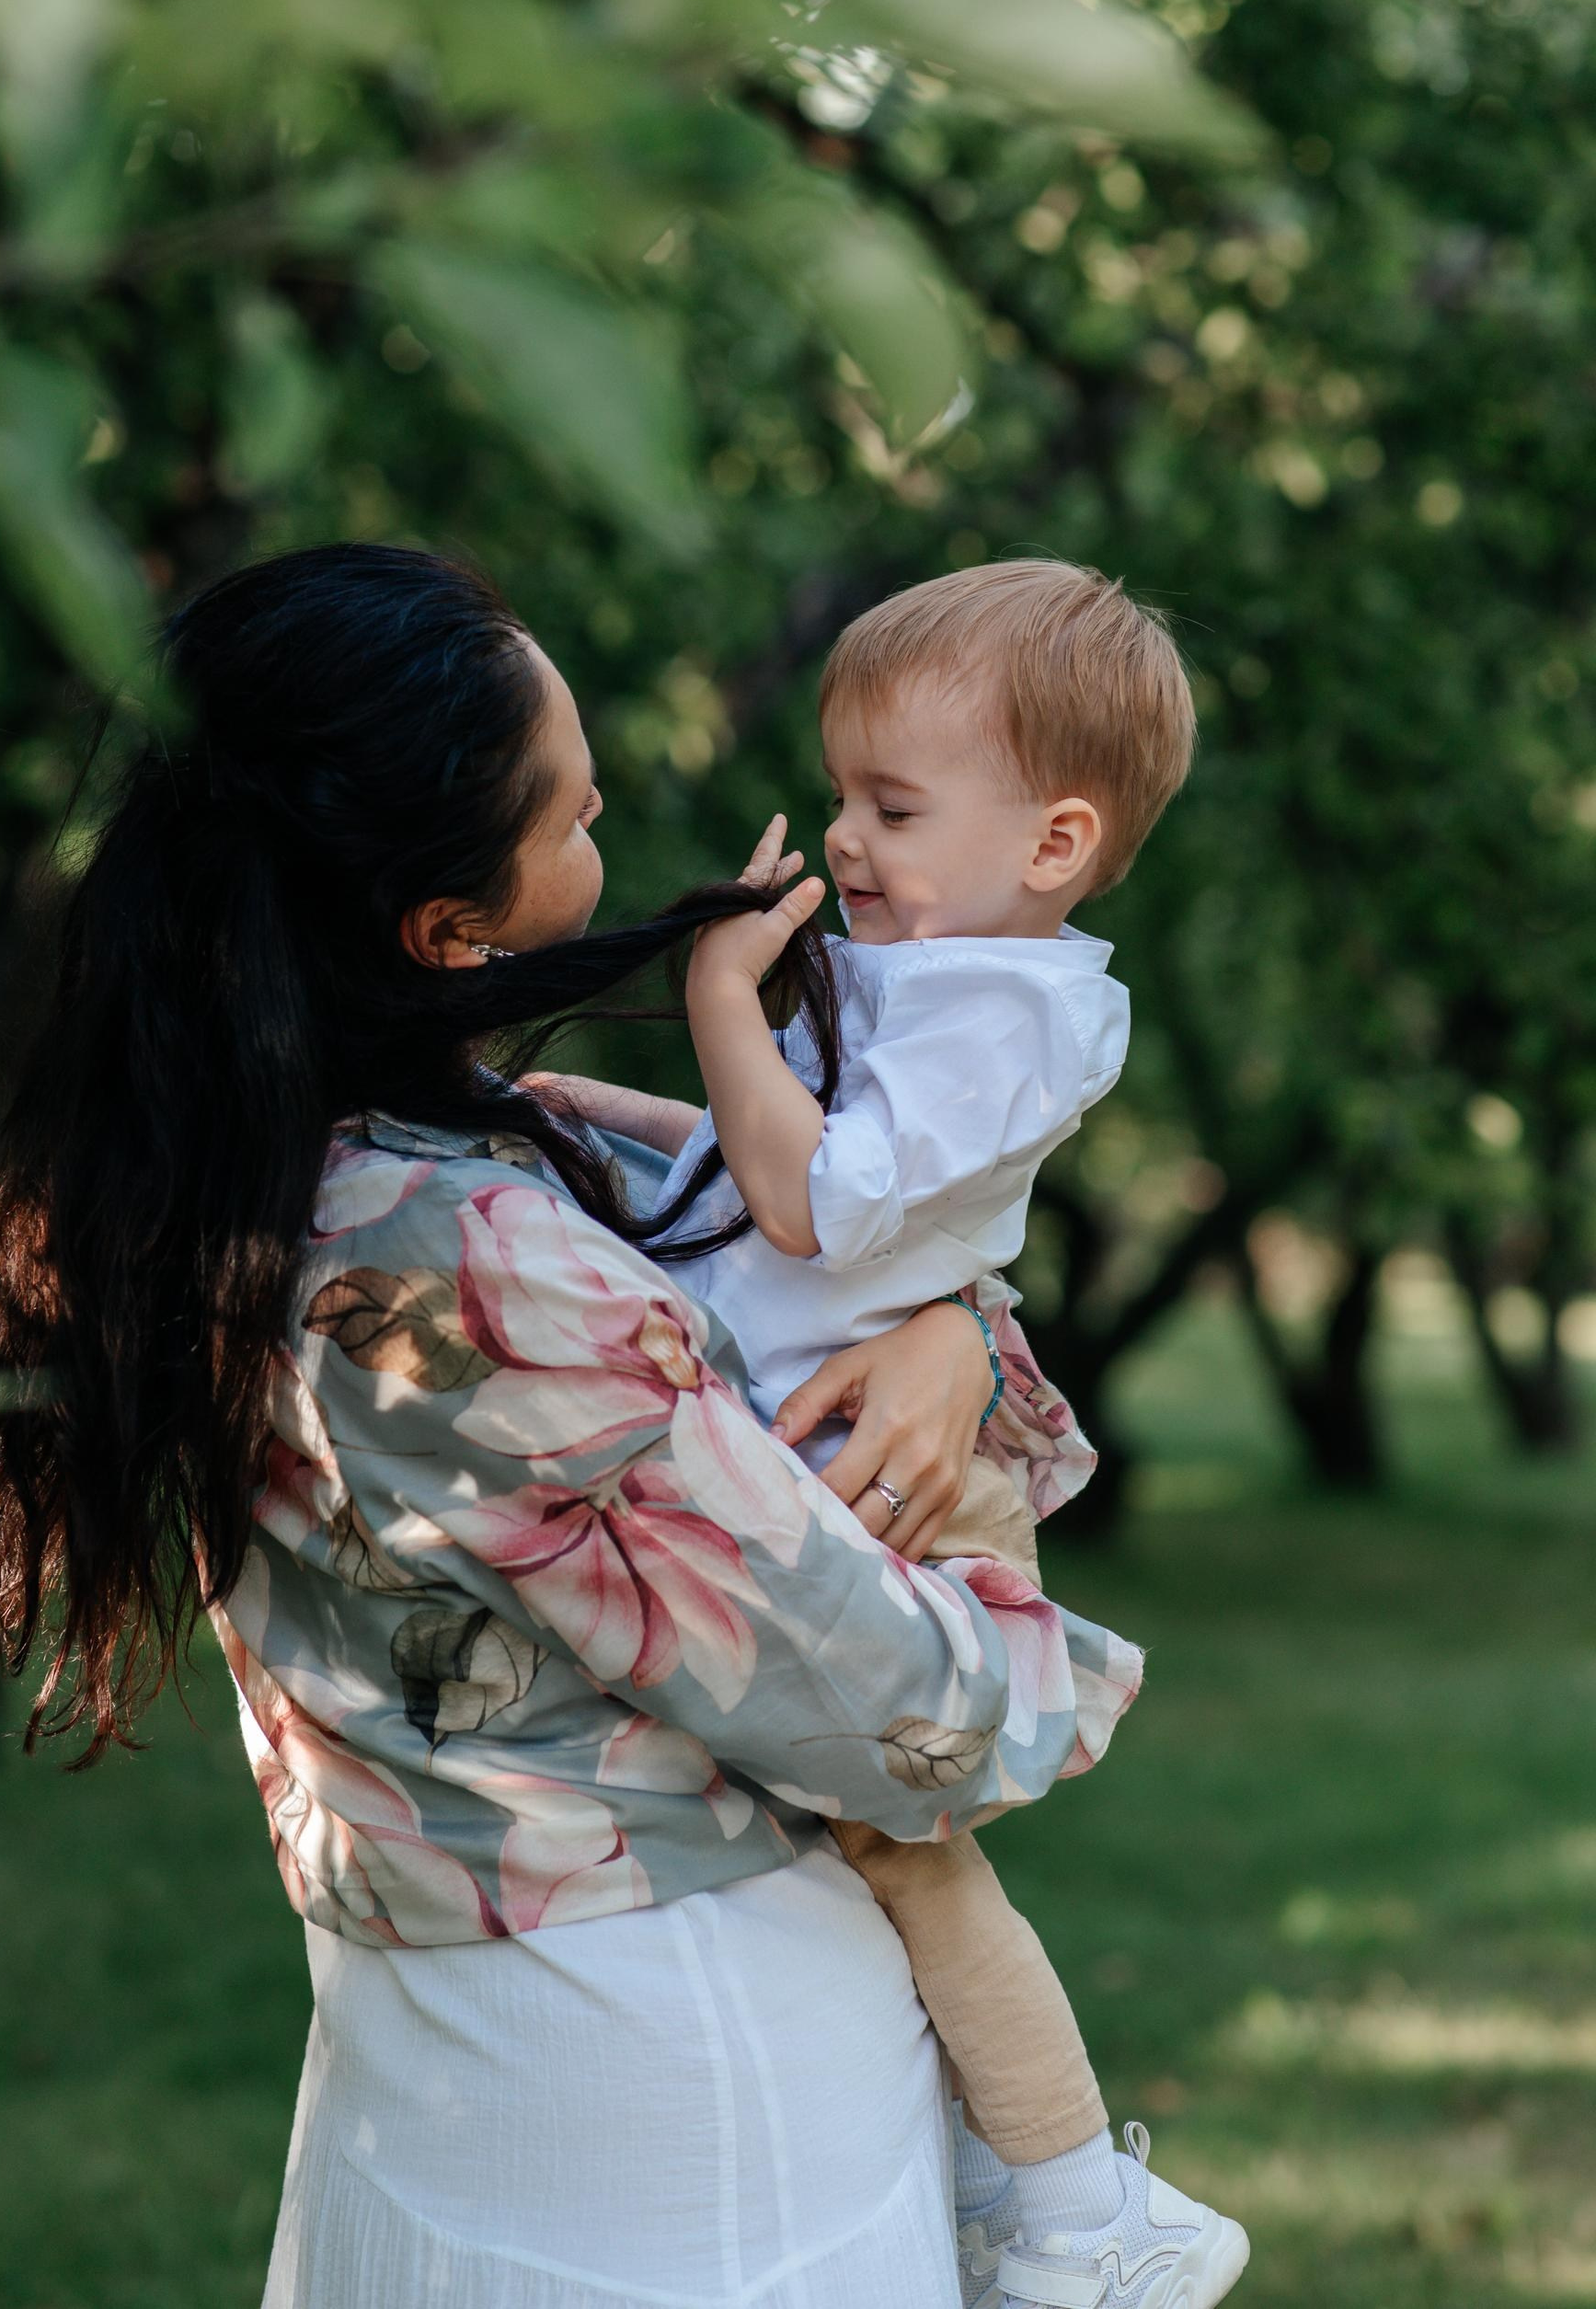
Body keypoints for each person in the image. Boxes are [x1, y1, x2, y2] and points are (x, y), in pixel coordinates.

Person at [0, 543, 1147, 2309]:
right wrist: (1023, 1632)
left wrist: (949, 1324)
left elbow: (805, 1248)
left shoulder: (262, 1178)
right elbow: (907, 1718)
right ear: (445, 925)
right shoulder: (472, 1263)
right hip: (672, 2107)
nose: (609, 824)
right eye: (572, 810)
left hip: (416, 2070)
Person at [545, 561, 1249, 2309]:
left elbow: (809, 1203)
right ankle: (995, 2165)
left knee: (904, 1859)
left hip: (897, 1483)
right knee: (854, 1857)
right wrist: (592, 1110)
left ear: (1057, 841)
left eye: (895, 804)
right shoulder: (941, 975)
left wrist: (720, 1001)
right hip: (852, 1431)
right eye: (843, 793)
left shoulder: (1003, 1018)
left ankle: (1088, 2210)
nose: (847, 839)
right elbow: (756, 1178)